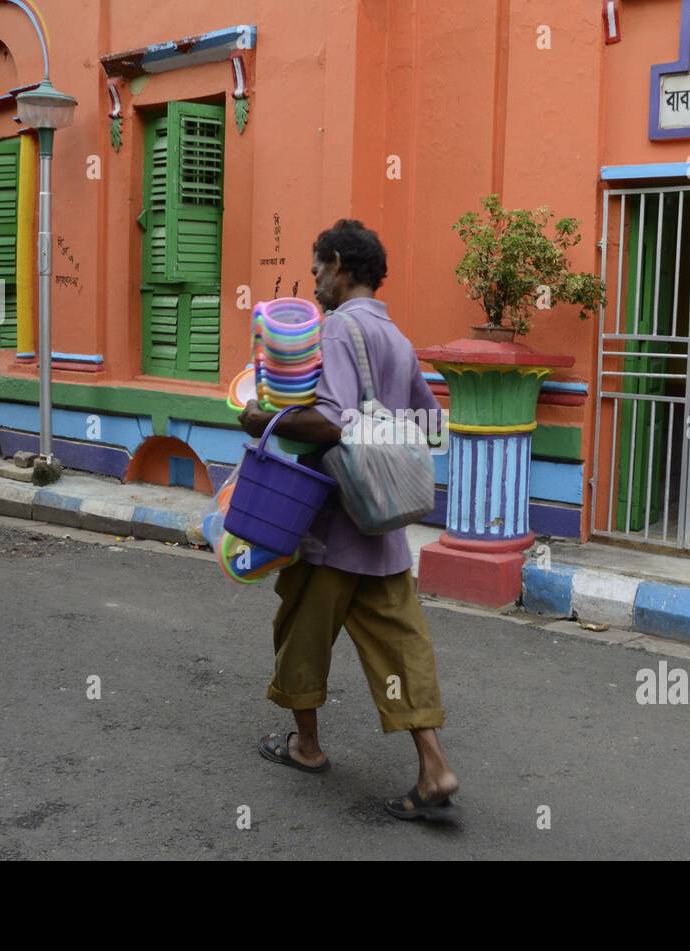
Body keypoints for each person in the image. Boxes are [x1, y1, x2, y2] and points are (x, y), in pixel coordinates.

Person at [236, 219, 460, 823]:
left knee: (301, 632)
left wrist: (264, 420)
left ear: (338, 263)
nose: (313, 283)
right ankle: (434, 766)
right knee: (401, 647)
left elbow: (330, 421)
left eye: (316, 269)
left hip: (330, 525)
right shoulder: (398, 337)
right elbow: (428, 424)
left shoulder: (336, 330)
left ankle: (306, 747)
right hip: (383, 527)